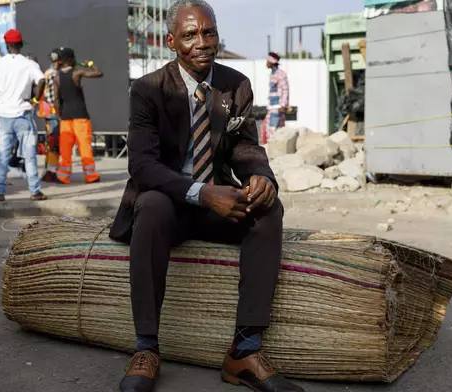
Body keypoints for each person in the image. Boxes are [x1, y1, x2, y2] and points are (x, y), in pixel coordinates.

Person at [109, 1, 303, 392]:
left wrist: (261, 177)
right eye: (190, 35)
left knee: (268, 210)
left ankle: (244, 351)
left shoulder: (236, 85)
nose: (202, 42)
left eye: (208, 32)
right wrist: (201, 193)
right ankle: (146, 348)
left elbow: (246, 148)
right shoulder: (147, 90)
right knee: (151, 204)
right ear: (171, 42)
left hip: (218, 201)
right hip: (169, 202)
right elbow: (143, 167)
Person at [0, 29, 47, 202]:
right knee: (29, 155)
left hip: (4, 116)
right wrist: (35, 99)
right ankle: (35, 191)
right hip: (23, 114)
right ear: (20, 44)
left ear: (6, 45)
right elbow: (42, 80)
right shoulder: (28, 64)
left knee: (3, 155)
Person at [52, 48, 102, 184]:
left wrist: (59, 114)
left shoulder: (56, 76)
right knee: (84, 146)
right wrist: (90, 64)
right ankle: (91, 176)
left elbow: (56, 99)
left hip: (66, 117)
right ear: (72, 58)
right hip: (80, 115)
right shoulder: (77, 72)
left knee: (65, 148)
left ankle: (63, 176)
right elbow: (99, 73)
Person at [39, 48, 63, 183]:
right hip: (55, 113)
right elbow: (52, 97)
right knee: (54, 143)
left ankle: (49, 170)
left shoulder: (48, 73)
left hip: (49, 113)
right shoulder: (54, 74)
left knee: (51, 143)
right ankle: (51, 172)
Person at [261, 51, 289, 144]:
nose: (266, 63)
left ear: (272, 62)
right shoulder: (273, 74)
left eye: (267, 61)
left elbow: (285, 89)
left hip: (277, 108)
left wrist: (283, 105)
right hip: (272, 108)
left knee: (273, 132)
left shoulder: (280, 74)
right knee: (268, 130)